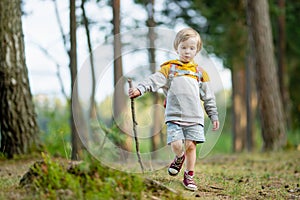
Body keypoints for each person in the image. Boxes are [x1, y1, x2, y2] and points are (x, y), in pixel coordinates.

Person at [128, 27, 219, 191]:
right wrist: (140, 89)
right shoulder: (170, 68)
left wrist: (213, 115)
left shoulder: (200, 73)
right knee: (177, 144)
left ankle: (189, 176)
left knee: (191, 146)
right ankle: (179, 157)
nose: (187, 51)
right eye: (183, 47)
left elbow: (208, 97)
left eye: (192, 48)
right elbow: (153, 81)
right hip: (174, 115)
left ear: (197, 50)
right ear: (177, 47)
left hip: (195, 117)